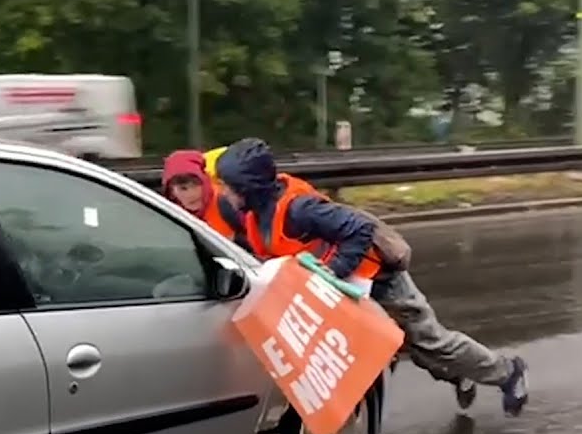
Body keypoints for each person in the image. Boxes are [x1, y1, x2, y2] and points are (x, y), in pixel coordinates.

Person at [214, 137, 529, 416]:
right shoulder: (255, 214)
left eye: (228, 185)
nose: (224, 192)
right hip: (341, 290)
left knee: (431, 342)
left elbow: (360, 229)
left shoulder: (299, 209)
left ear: (248, 186)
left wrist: (332, 271)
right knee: (401, 347)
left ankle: (508, 372)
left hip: (378, 280)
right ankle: (459, 374)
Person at [162, 149, 249, 250]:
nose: (191, 194)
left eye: (196, 185)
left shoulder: (225, 202)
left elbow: (257, 241)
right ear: (171, 192)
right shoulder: (170, 215)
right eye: (183, 189)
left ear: (205, 181)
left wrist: (234, 240)